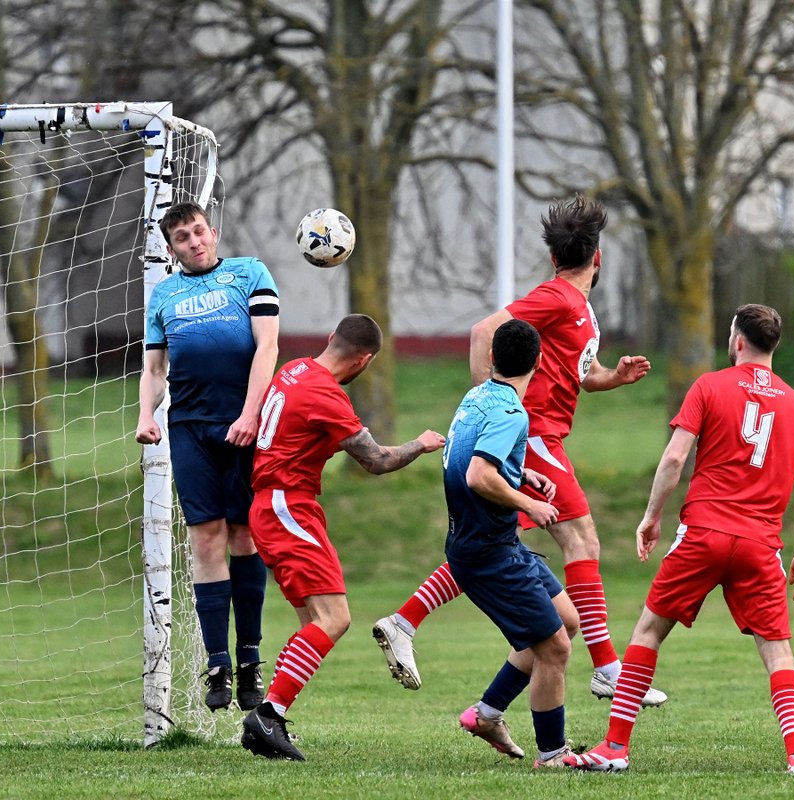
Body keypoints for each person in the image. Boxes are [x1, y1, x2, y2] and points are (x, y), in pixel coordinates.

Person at [374, 195, 666, 707]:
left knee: (490, 550)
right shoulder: (555, 298)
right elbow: (484, 331)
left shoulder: (579, 310)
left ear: (556, 256)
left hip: (543, 436)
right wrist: (487, 409)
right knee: (583, 541)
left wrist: (613, 378)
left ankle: (408, 625)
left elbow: (581, 376)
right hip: (531, 436)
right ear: (598, 258)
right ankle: (607, 670)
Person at [565, 304, 794, 775]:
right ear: (773, 345)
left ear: (737, 341)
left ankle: (614, 748)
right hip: (760, 546)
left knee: (649, 632)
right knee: (777, 650)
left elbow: (674, 460)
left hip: (704, 533)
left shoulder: (709, 386)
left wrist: (651, 517)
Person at [240, 314, 446, 761]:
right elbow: (376, 460)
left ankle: (269, 717)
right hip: (286, 505)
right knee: (334, 618)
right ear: (365, 360)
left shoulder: (294, 369)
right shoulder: (327, 395)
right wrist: (422, 443)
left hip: (272, 504)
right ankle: (267, 715)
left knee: (313, 621)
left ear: (332, 338)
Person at [136, 201, 278, 713]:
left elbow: (267, 348)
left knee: (245, 535)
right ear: (172, 249)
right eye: (181, 238)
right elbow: (154, 371)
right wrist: (145, 416)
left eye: (198, 232)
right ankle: (217, 665)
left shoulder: (249, 274)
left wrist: (249, 413)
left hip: (244, 426)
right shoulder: (165, 295)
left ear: (212, 232)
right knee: (206, 538)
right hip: (191, 429)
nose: (194, 242)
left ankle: (249, 663)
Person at [445, 319, 579, 768]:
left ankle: (486, 714)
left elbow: (472, 457)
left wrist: (521, 472)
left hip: (493, 543)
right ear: (538, 362)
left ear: (492, 359)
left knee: (565, 621)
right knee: (554, 648)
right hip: (489, 553)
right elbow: (477, 475)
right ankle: (553, 754)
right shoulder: (511, 413)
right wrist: (530, 503)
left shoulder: (478, 395)